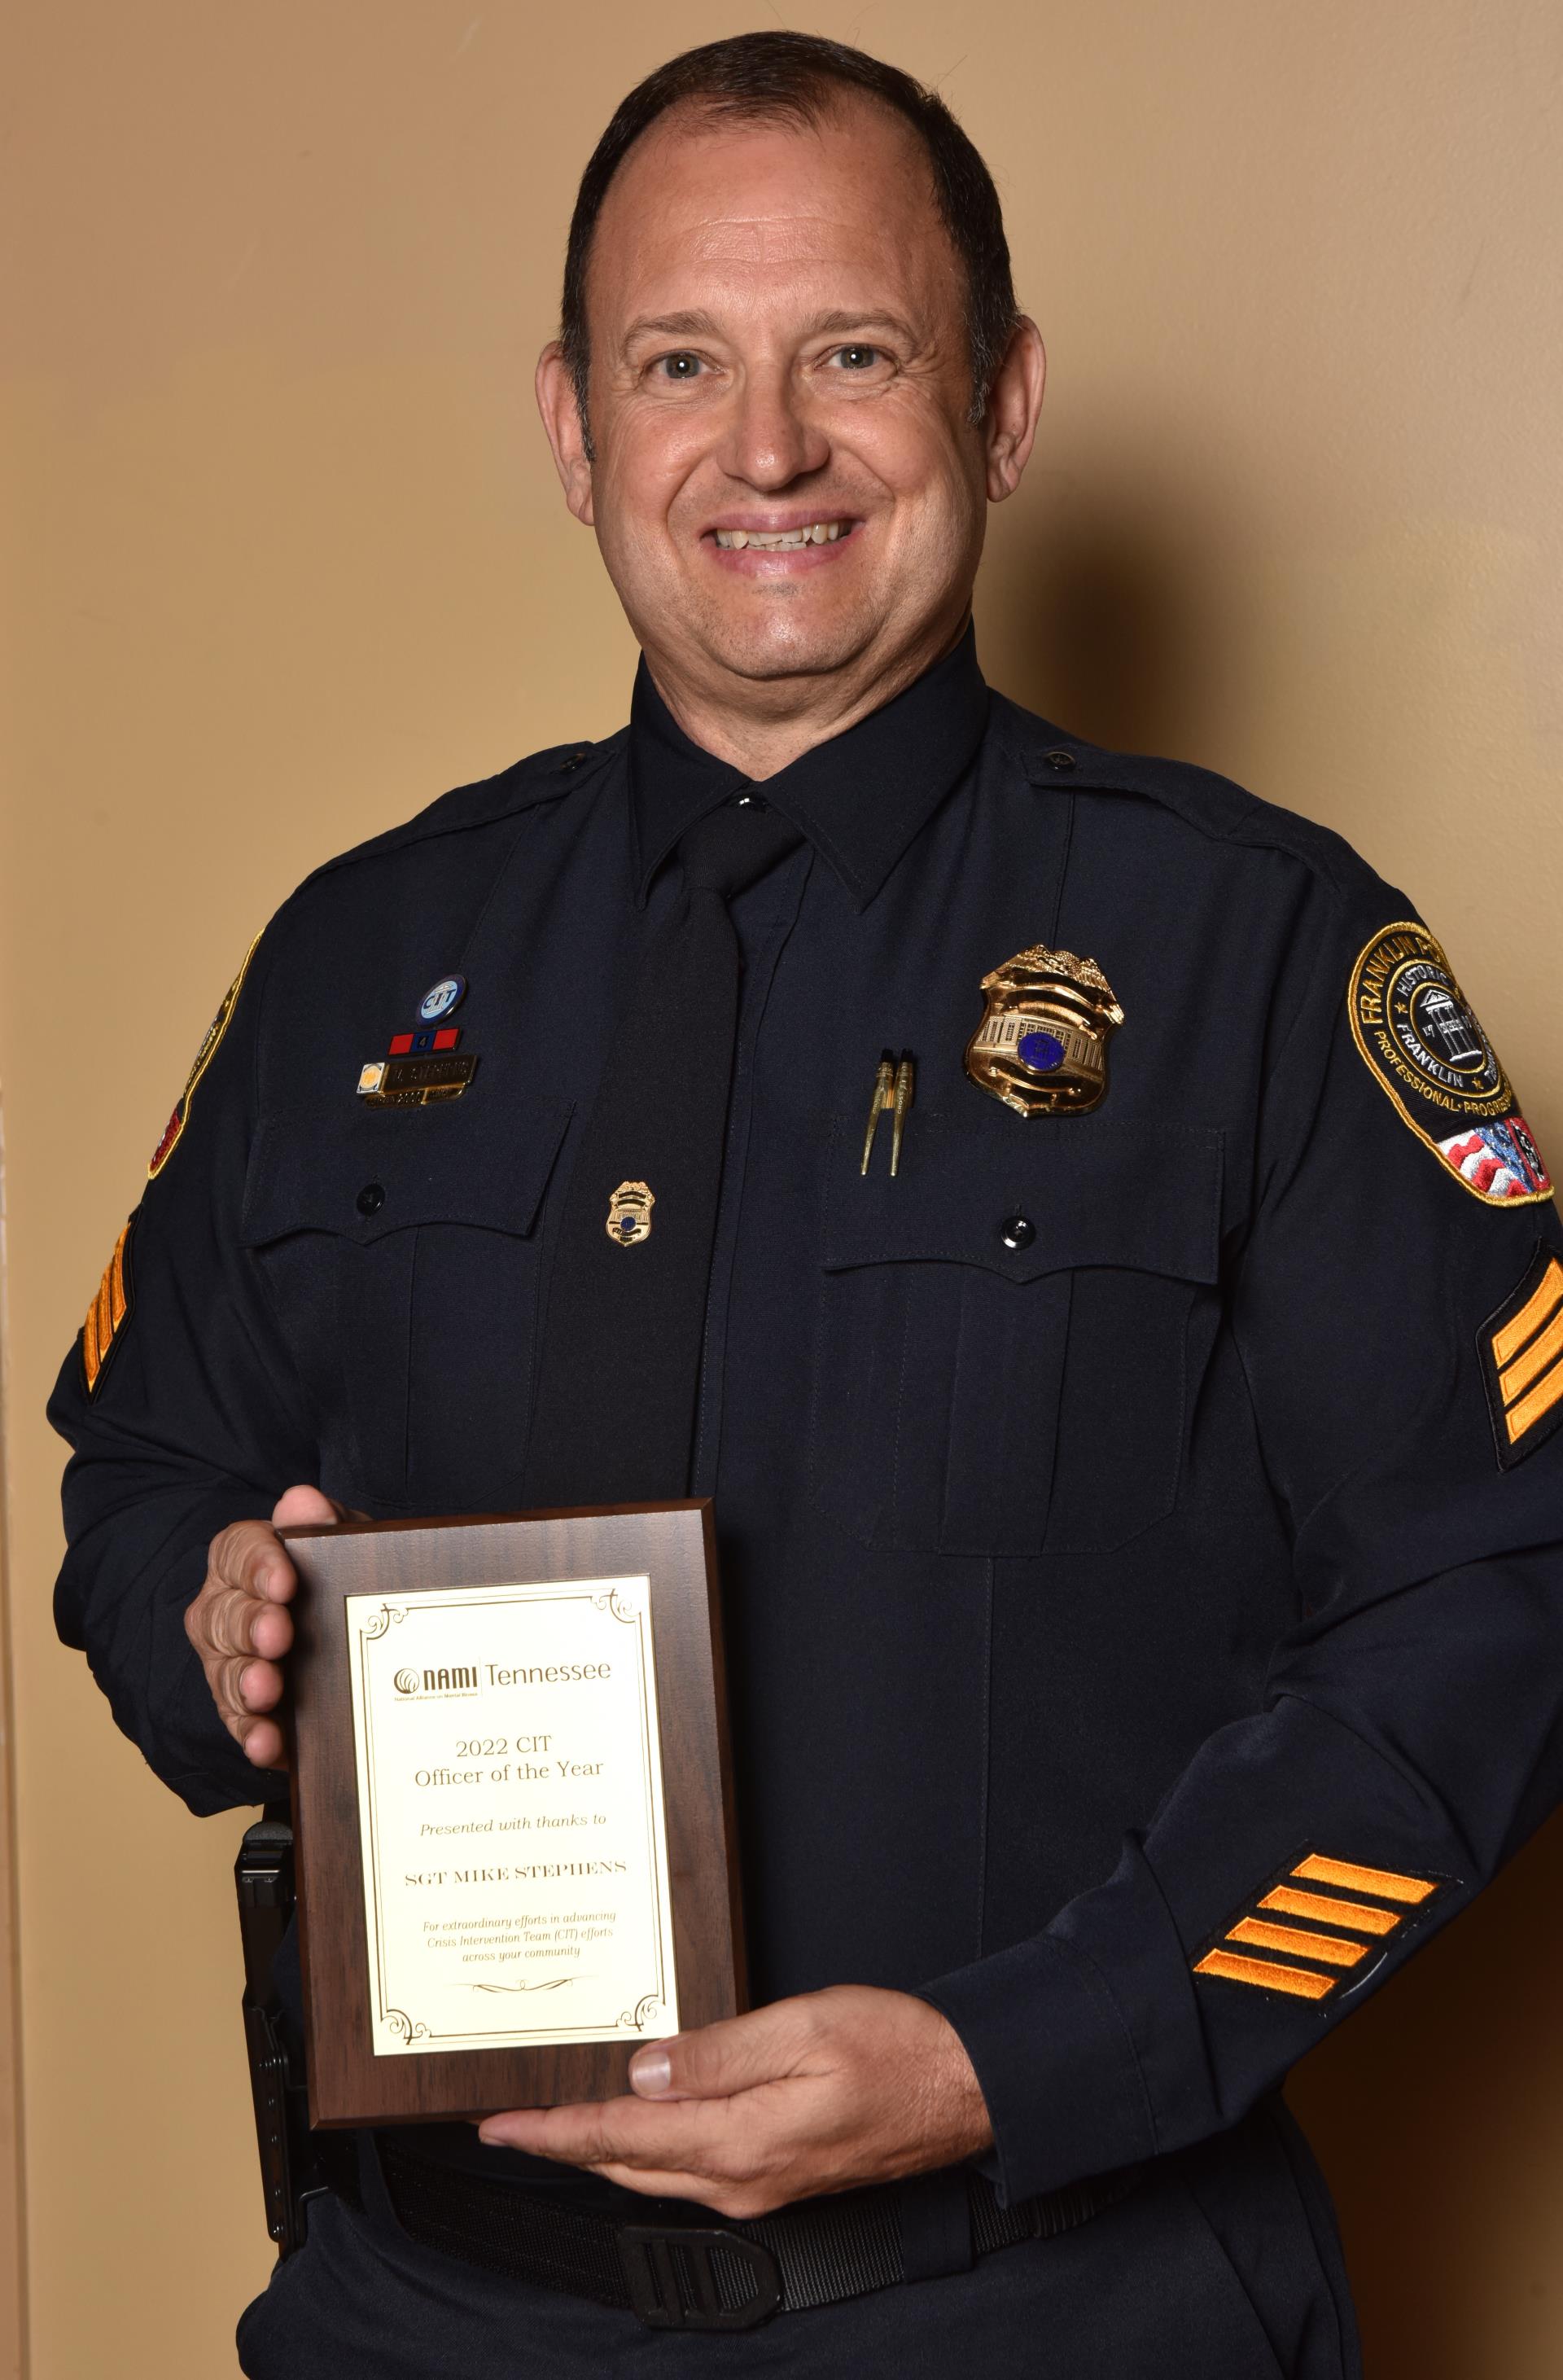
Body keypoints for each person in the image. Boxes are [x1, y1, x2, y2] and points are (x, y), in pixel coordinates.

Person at [48, 29, 1563, 2380]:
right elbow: (137, 1478)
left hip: (1059, 2312)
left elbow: (1500, 1602)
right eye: (684, 363)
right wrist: (216, 1617)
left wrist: (1025, 2052)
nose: (766, 448)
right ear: (576, 427)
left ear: (1005, 406)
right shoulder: (363, 951)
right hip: (428, 2324)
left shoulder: (1256, 957)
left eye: (852, 353)